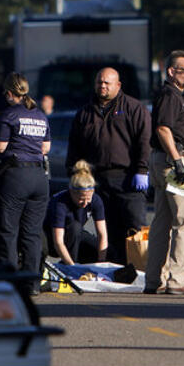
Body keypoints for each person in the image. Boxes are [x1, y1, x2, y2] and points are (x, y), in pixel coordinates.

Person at [65, 67, 152, 265]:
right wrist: (73, 174)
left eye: (107, 82)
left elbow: (145, 141)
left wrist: (141, 170)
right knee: (107, 230)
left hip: (128, 179)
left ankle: (141, 271)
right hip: (97, 180)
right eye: (99, 82)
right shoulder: (84, 113)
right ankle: (114, 269)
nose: (102, 86)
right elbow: (74, 147)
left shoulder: (134, 108)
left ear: (118, 85)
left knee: (135, 228)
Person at [144, 51, 184, 295]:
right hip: (173, 161)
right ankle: (178, 280)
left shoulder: (172, 95)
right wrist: (178, 161)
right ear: (171, 72)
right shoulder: (171, 94)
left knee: (163, 222)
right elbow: (163, 129)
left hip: (163, 160)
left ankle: (153, 280)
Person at [0, 72, 51, 293]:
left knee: (8, 231)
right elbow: (46, 148)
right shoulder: (40, 115)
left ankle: (10, 282)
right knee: (33, 233)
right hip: (39, 178)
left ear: (9, 93)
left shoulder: (10, 114)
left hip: (16, 176)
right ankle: (32, 283)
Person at [45, 160, 108, 265]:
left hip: (74, 236)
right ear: (71, 192)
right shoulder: (60, 203)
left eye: (88, 199)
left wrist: (101, 262)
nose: (85, 203)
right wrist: (72, 266)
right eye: (81, 199)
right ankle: (69, 264)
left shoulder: (96, 200)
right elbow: (58, 241)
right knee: (75, 227)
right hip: (52, 239)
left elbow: (102, 235)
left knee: (107, 251)